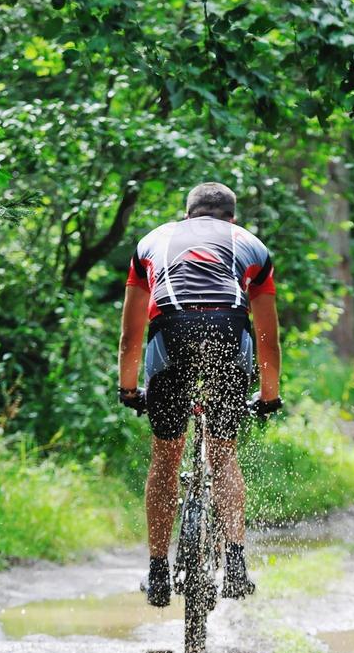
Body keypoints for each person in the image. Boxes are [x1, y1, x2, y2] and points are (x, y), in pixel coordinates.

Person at [117, 182, 281, 607]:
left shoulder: (152, 240)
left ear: (186, 214)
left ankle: (156, 572)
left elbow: (130, 332)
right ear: (232, 217)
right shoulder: (251, 245)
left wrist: (129, 387)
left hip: (170, 333)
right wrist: (269, 395)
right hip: (228, 334)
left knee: (166, 455)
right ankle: (237, 563)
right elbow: (267, 336)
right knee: (223, 453)